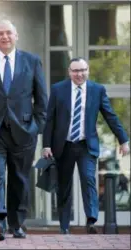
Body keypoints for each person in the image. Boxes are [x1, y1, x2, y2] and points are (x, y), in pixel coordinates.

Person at [0, 19, 48, 241]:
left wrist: (36, 127)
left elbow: (42, 99)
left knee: (19, 179)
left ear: (16, 36)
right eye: (0, 34)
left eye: (8, 33)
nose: (4, 37)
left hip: (23, 131)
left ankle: (17, 223)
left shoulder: (32, 61)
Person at [42, 57, 130, 234]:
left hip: (86, 145)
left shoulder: (97, 90)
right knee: (64, 186)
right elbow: (49, 119)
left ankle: (91, 221)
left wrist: (123, 139)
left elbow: (110, 115)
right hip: (63, 146)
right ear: (69, 72)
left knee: (89, 180)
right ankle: (64, 226)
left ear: (88, 70)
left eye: (82, 70)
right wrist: (46, 145)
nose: (79, 74)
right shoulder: (58, 89)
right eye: (75, 71)